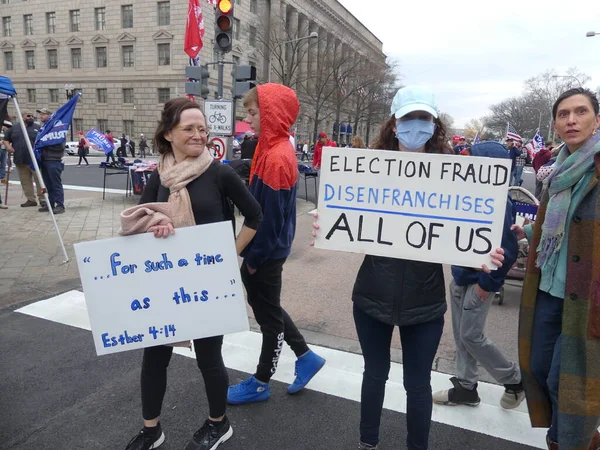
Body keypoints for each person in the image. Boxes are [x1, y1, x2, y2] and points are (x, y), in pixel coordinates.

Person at [311, 85, 505, 450]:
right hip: (371, 296)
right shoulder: (366, 169)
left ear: (434, 124)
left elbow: (459, 238)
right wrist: (330, 222)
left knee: (417, 386)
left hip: (425, 305)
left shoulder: (455, 176)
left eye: (424, 118)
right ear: (394, 123)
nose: (416, 125)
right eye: (408, 118)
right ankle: (367, 442)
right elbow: (352, 222)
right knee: (375, 375)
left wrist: (484, 255)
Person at [120, 98, 263, 450]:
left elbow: (256, 216)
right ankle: (151, 430)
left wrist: (230, 255)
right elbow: (140, 218)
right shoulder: (160, 174)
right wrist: (157, 223)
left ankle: (219, 424)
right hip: (165, 282)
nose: (198, 134)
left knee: (208, 357)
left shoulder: (220, 172)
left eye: (202, 128)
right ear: (169, 134)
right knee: (155, 355)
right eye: (189, 128)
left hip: (207, 283)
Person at [227, 84, 326, 405]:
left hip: (265, 252)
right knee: (269, 308)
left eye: (254, 113)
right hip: (268, 250)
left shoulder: (276, 157)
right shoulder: (273, 150)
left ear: (272, 114)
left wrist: (252, 259)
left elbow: (266, 221)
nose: (248, 118)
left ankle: (261, 381)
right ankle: (306, 357)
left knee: (268, 317)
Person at [513, 88, 600, 450]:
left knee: (571, 384)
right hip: (548, 290)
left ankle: (570, 442)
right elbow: (557, 224)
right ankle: (572, 438)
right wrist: (528, 232)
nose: (571, 120)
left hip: (585, 299)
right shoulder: (558, 169)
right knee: (540, 371)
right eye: (564, 114)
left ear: (597, 119)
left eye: (581, 112)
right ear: (555, 123)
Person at [432, 141, 524, 410]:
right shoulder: (465, 194)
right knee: (462, 336)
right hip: (460, 277)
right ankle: (466, 387)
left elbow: (508, 248)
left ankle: (514, 380)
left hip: (478, 282)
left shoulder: (499, 200)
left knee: (472, 336)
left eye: (471, 160)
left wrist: (487, 285)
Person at [2, 110, 45, 208]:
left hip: (35, 160)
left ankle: (42, 199)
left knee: (39, 180)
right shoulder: (14, 128)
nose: (31, 117)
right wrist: (8, 146)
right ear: (22, 117)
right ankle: (30, 199)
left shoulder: (38, 128)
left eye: (32, 116)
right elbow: (6, 139)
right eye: (28, 116)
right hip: (20, 160)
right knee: (25, 181)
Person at [36, 108, 66, 214]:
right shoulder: (44, 129)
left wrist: (45, 144)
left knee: (56, 184)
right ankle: (50, 204)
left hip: (54, 160)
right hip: (44, 160)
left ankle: (60, 205)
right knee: (48, 185)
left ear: (50, 115)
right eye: (41, 114)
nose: (41, 116)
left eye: (43, 114)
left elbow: (60, 146)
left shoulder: (57, 129)